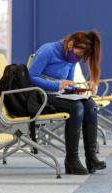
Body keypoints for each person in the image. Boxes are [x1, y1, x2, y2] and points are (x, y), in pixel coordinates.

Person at [29, 31, 106, 175]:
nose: (77, 59)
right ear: (71, 44)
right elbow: (31, 76)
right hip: (40, 96)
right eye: (78, 54)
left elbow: (68, 85)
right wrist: (57, 85)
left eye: (81, 57)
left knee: (90, 105)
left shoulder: (71, 60)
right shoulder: (48, 50)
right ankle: (72, 160)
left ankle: (91, 158)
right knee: (76, 107)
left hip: (57, 95)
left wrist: (80, 90)